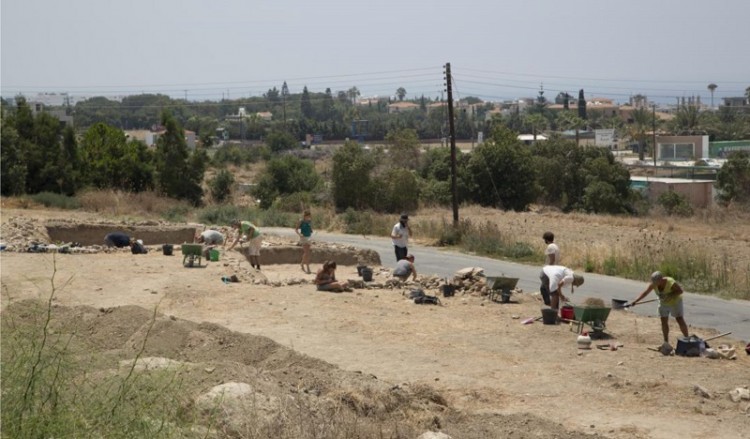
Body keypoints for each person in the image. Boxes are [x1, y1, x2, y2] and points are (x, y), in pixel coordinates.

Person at [630, 271, 690, 344]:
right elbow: (645, 292)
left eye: (656, 282)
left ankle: (687, 339)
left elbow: (680, 291)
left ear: (661, 279)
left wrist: (669, 295)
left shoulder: (670, 282)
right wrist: (636, 301)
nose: (655, 284)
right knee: (663, 321)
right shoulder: (653, 284)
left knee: (679, 319)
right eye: (654, 282)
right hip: (663, 303)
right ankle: (666, 342)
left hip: (675, 302)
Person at [539, 231, 560, 306]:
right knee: (544, 288)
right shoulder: (555, 246)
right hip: (554, 269)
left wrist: (547, 269)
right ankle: (551, 304)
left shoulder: (550, 247)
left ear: (546, 239)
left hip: (550, 271)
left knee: (549, 290)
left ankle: (552, 306)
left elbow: (552, 259)